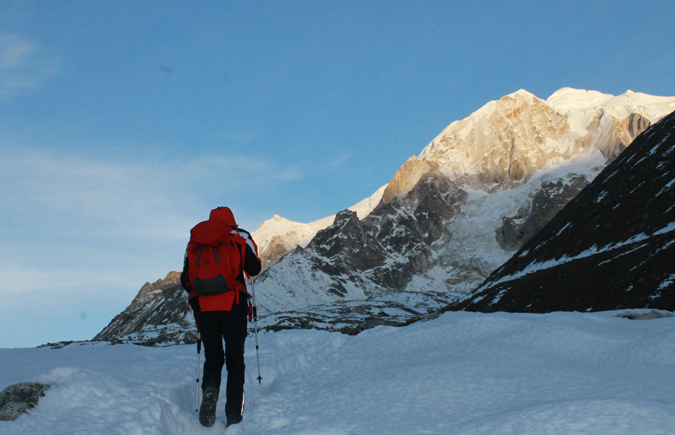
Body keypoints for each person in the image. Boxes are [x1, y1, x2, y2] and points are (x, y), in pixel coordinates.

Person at [181, 206, 261, 428]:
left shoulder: (196, 243)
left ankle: (210, 391)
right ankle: (233, 414)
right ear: (232, 221)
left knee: (213, 357)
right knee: (235, 359)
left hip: (204, 308)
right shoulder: (238, 239)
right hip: (233, 303)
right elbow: (254, 269)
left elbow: (185, 281)